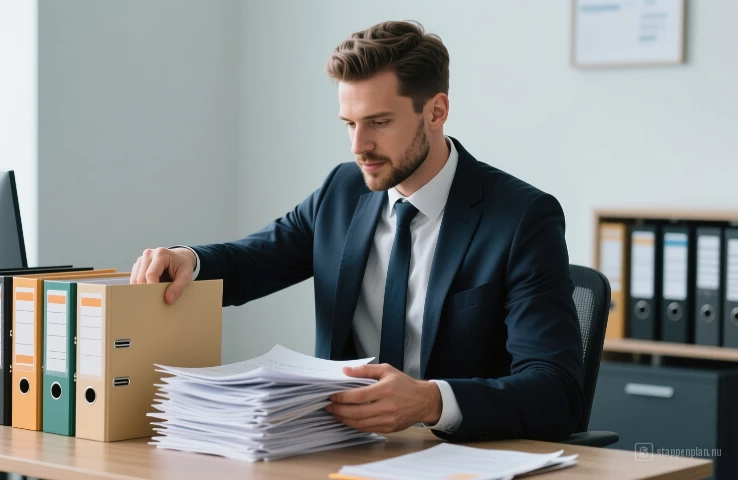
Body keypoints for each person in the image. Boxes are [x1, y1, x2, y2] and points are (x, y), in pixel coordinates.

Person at [130, 20, 584, 443]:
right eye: (350, 123)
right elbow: (255, 259)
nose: (358, 146)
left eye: (379, 123)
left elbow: (555, 390)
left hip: (457, 456)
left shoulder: (522, 217)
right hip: (341, 449)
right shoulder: (342, 191)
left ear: (436, 111)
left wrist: (430, 400)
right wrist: (190, 259)